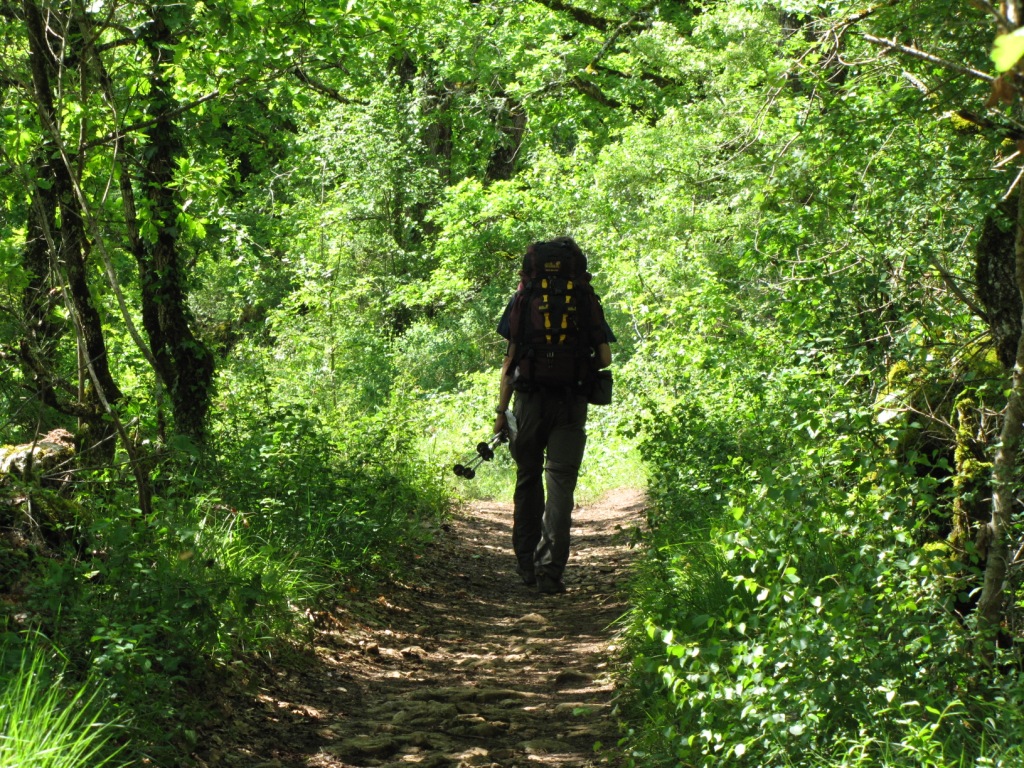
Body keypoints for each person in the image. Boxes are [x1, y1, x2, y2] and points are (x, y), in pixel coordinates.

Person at [493, 237, 615, 594]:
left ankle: (526, 564)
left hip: (528, 402)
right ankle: (550, 571)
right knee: (561, 483)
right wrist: (580, 370)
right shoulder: (584, 297)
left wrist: (502, 412)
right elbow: (605, 358)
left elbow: (509, 361)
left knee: (528, 478)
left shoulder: (525, 297)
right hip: (571, 403)